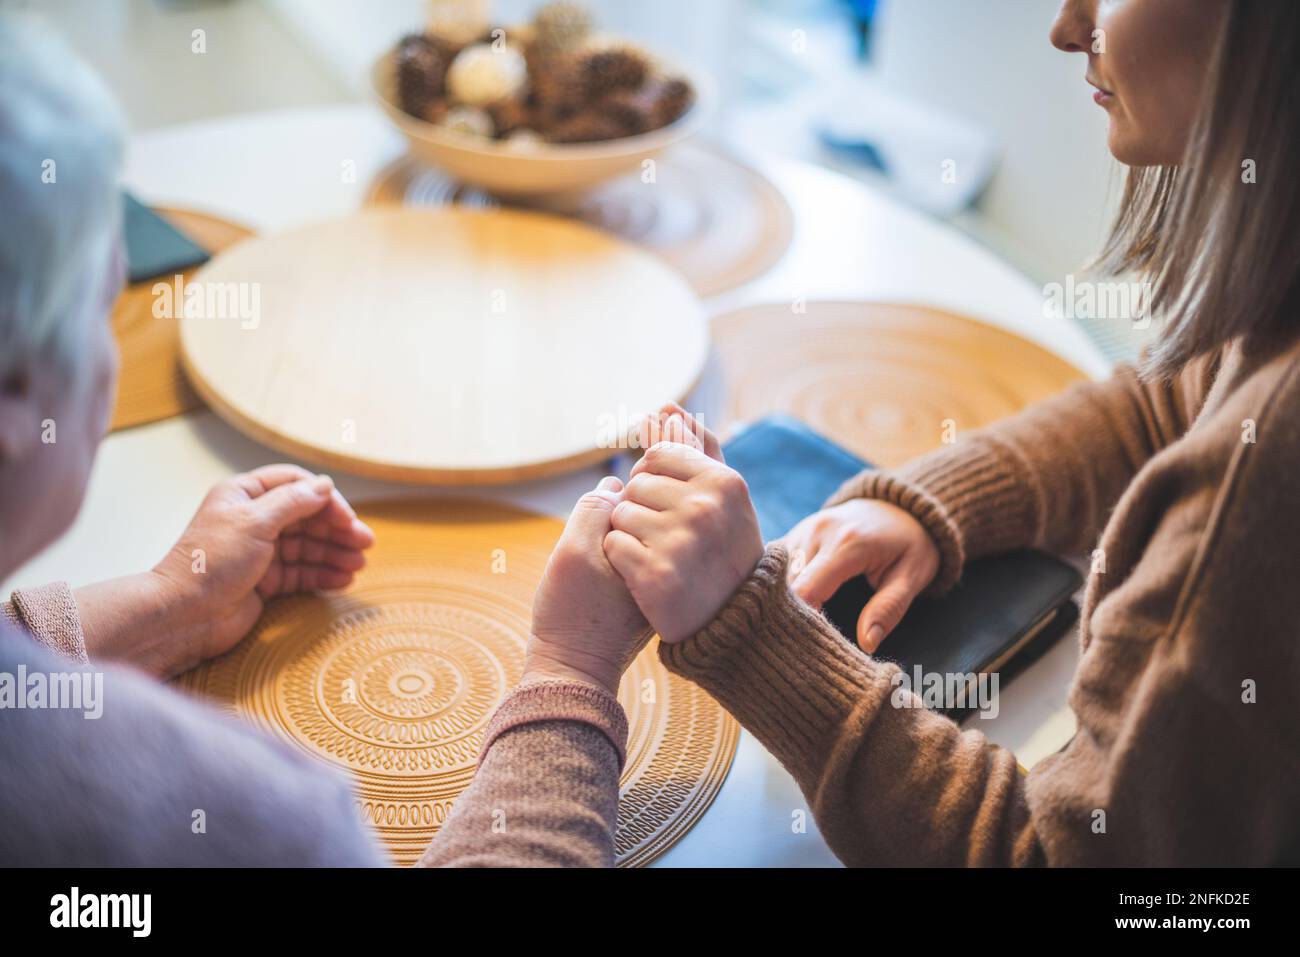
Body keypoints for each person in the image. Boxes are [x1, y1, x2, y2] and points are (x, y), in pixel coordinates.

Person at [598, 0, 1300, 865]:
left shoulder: (1268, 468)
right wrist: (931, 502)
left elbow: (1051, 858)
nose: (1067, 24)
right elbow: (1164, 406)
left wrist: (745, 621)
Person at [0, 11, 656, 868]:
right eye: (104, 308)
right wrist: (571, 670)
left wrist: (166, 607)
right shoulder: (254, 819)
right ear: (18, 406)